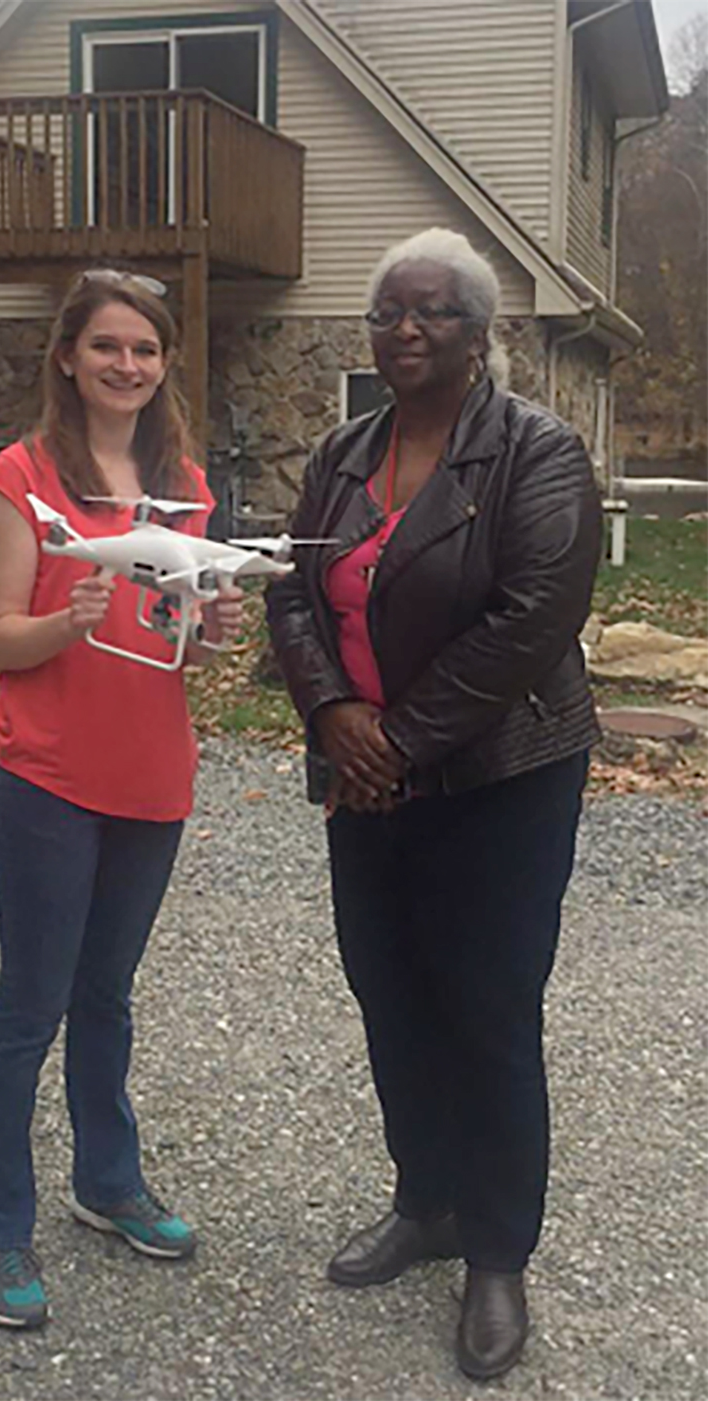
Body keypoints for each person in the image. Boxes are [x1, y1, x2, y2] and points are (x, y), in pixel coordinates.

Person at [266, 228, 602, 1381]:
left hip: (500, 775)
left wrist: (393, 739)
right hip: (364, 774)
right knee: (390, 992)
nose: (404, 330)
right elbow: (294, 595)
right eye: (386, 313)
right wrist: (331, 718)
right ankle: (428, 1204)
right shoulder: (343, 452)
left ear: (478, 334)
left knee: (489, 1007)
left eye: (433, 312)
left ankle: (498, 1253)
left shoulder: (534, 453)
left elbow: (530, 622)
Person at [0, 268, 242, 1329]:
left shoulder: (186, 486)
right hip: (46, 776)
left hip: (152, 777)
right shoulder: (20, 477)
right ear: (68, 358)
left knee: (109, 996)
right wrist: (65, 622)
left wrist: (211, 636)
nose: (127, 365)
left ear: (164, 365)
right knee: (30, 1004)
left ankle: (106, 1182)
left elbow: (184, 650)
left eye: (146, 350)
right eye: (107, 346)